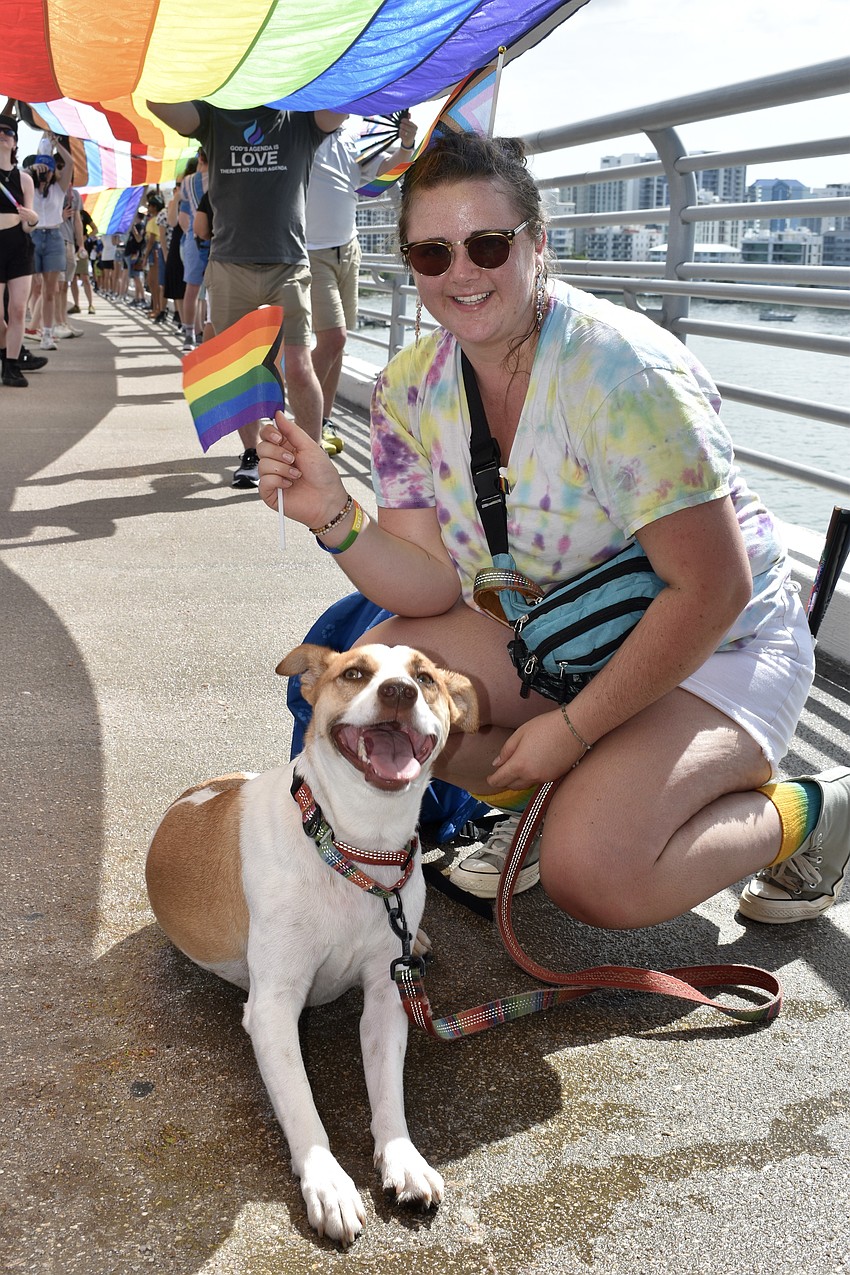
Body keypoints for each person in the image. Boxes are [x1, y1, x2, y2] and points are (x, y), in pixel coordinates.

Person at [257, 131, 850, 928]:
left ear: (538, 244)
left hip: (720, 644)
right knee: (387, 692)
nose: (461, 272)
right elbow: (429, 584)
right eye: (432, 253)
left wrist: (571, 731)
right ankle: (570, 797)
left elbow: (713, 588)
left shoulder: (620, 375)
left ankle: (817, 813)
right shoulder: (410, 389)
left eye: (488, 244)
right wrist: (333, 514)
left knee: (595, 873)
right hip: (562, 639)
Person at [147, 99, 348, 487]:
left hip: (287, 265)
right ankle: (253, 454)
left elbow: (346, 98)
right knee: (240, 371)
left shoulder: (300, 118)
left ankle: (310, 459)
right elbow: (161, 101)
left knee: (298, 365)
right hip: (229, 265)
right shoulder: (216, 116)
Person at [305, 113, 418, 456]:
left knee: (338, 343)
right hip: (312, 252)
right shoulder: (302, 132)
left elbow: (386, 171)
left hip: (349, 249)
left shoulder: (354, 138)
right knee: (333, 338)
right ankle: (305, 424)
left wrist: (406, 145)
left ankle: (322, 420)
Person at [0, 112, 46, 388]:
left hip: (19, 245)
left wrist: (34, 219)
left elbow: (29, 226)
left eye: (8, 132)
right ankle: (6, 352)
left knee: (18, 310)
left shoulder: (25, 179)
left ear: (16, 142)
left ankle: (12, 367)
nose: (3, 135)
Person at [27, 133, 74, 350]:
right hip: (33, 236)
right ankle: (29, 327)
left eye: (49, 168)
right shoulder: (28, 187)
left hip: (54, 237)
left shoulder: (58, 188)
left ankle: (47, 334)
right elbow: (14, 175)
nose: (45, 172)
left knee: (50, 290)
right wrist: (31, 169)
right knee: (30, 287)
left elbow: (71, 164)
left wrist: (57, 146)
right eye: (42, 168)